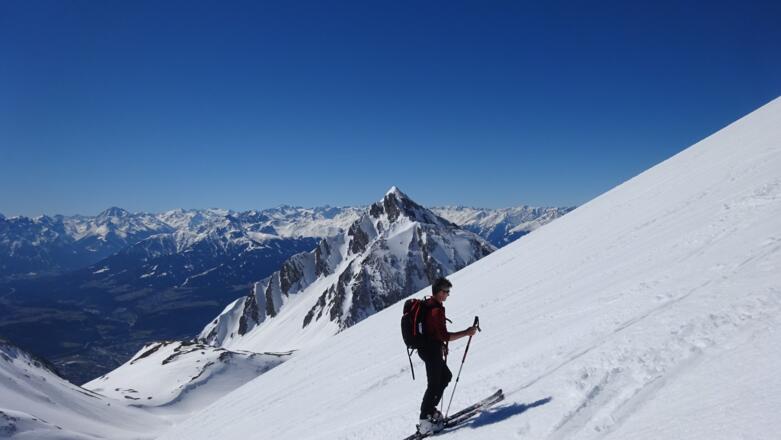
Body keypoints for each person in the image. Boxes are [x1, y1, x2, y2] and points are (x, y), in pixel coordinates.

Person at [417, 277, 478, 435]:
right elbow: (445, 335)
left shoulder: (432, 305)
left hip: (430, 348)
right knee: (434, 384)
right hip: (430, 351)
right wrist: (467, 332)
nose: (448, 295)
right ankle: (425, 420)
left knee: (445, 377)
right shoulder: (436, 310)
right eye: (446, 292)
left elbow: (435, 333)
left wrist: (441, 344)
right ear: (438, 292)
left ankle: (430, 411)